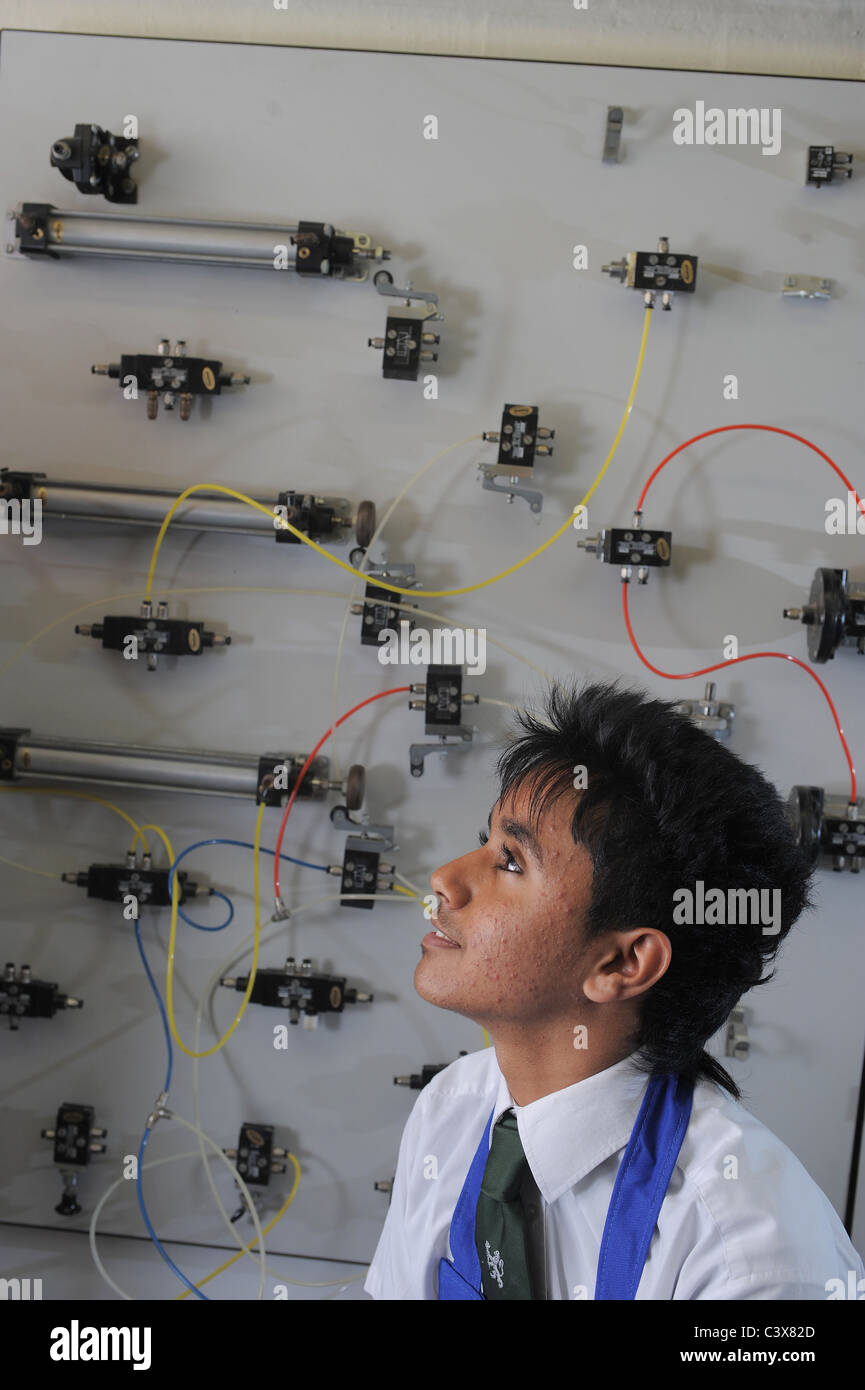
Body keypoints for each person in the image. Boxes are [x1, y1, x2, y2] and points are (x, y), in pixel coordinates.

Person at [364, 678, 865, 1300]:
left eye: (512, 861)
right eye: (484, 841)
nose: (445, 879)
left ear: (624, 963)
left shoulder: (756, 1259)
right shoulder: (455, 1110)